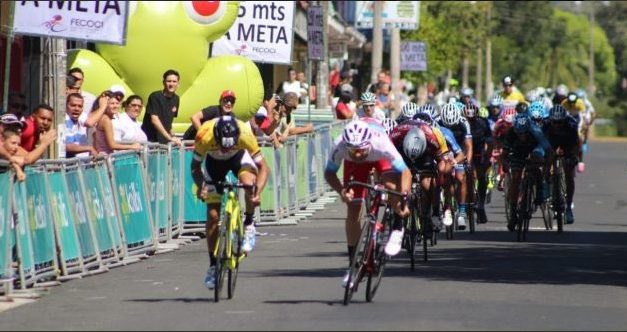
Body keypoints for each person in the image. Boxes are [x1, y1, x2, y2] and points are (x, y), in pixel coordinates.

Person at [324, 119, 411, 287]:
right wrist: (342, 191)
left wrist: (404, 197)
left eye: (360, 150)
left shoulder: (380, 142)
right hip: (355, 167)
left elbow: (405, 172)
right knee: (353, 209)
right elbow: (329, 174)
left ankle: (398, 225)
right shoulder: (340, 145)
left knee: (391, 185)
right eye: (353, 150)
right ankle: (352, 264)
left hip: (379, 158)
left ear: (368, 143)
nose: (357, 155)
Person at [190, 115, 270, 289]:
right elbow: (195, 167)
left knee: (248, 184)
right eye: (222, 146)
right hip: (213, 164)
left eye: (229, 146)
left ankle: (249, 223)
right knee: (212, 216)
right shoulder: (204, 134)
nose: (225, 149)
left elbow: (264, 167)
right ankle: (213, 265)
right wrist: (201, 185)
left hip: (239, 159)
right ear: (216, 137)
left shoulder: (245, 134)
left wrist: (257, 192)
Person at [389, 117, 451, 233]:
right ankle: (398, 217)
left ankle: (435, 213)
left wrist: (440, 173)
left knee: (429, 184)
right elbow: (385, 159)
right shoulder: (396, 135)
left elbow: (442, 161)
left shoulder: (432, 137)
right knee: (399, 184)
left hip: (425, 155)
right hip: (402, 154)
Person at [502, 113, 552, 231]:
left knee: (536, 160)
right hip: (518, 152)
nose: (522, 136)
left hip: (535, 149)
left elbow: (549, 151)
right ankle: (513, 213)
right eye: (519, 133)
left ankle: (539, 189)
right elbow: (504, 154)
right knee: (515, 180)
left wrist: (546, 170)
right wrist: (504, 164)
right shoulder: (511, 133)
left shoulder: (536, 131)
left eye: (525, 133)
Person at [542, 104, 580, 224]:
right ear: (551, 120)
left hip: (567, 144)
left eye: (560, 123)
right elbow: (541, 141)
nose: (557, 125)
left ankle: (568, 207)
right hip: (551, 142)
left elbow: (576, 144)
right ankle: (547, 183)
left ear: (564, 120)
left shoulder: (571, 124)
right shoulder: (546, 124)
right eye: (555, 122)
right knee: (546, 160)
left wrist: (573, 157)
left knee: (569, 175)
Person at [439, 103, 473, 230]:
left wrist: (467, 163)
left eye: (452, 126)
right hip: (445, 149)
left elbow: (469, 146)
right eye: (447, 126)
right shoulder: (437, 121)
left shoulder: (464, 122)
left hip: (460, 149)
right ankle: (447, 205)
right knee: (446, 177)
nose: (449, 128)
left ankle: (462, 211)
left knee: (460, 177)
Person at [463, 103, 493, 224]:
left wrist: (487, 156)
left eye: (472, 119)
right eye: (467, 118)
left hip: (479, 152)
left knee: (481, 176)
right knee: (469, 175)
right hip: (464, 151)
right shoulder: (461, 123)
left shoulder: (483, 123)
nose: (470, 121)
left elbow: (490, 140)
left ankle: (480, 204)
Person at [141, 69, 183, 145]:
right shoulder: (155, 96)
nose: (171, 84)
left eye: (174, 81)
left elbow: (168, 123)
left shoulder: (176, 98)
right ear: (163, 82)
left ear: (178, 84)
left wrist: (173, 135)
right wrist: (169, 138)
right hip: (151, 142)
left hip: (165, 143)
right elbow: (154, 120)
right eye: (169, 81)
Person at [93, 90, 143, 154]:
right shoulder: (106, 120)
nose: (115, 106)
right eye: (112, 104)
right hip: (106, 158)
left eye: (117, 103)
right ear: (106, 105)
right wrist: (132, 146)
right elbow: (112, 145)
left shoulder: (106, 118)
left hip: (106, 157)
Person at [64, 92, 108, 158]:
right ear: (66, 105)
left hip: (83, 163)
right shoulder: (64, 120)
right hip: (70, 164)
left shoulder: (81, 115)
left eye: (80, 106)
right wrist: (103, 107)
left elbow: (90, 121)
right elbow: (68, 146)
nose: (76, 109)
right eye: (73, 105)